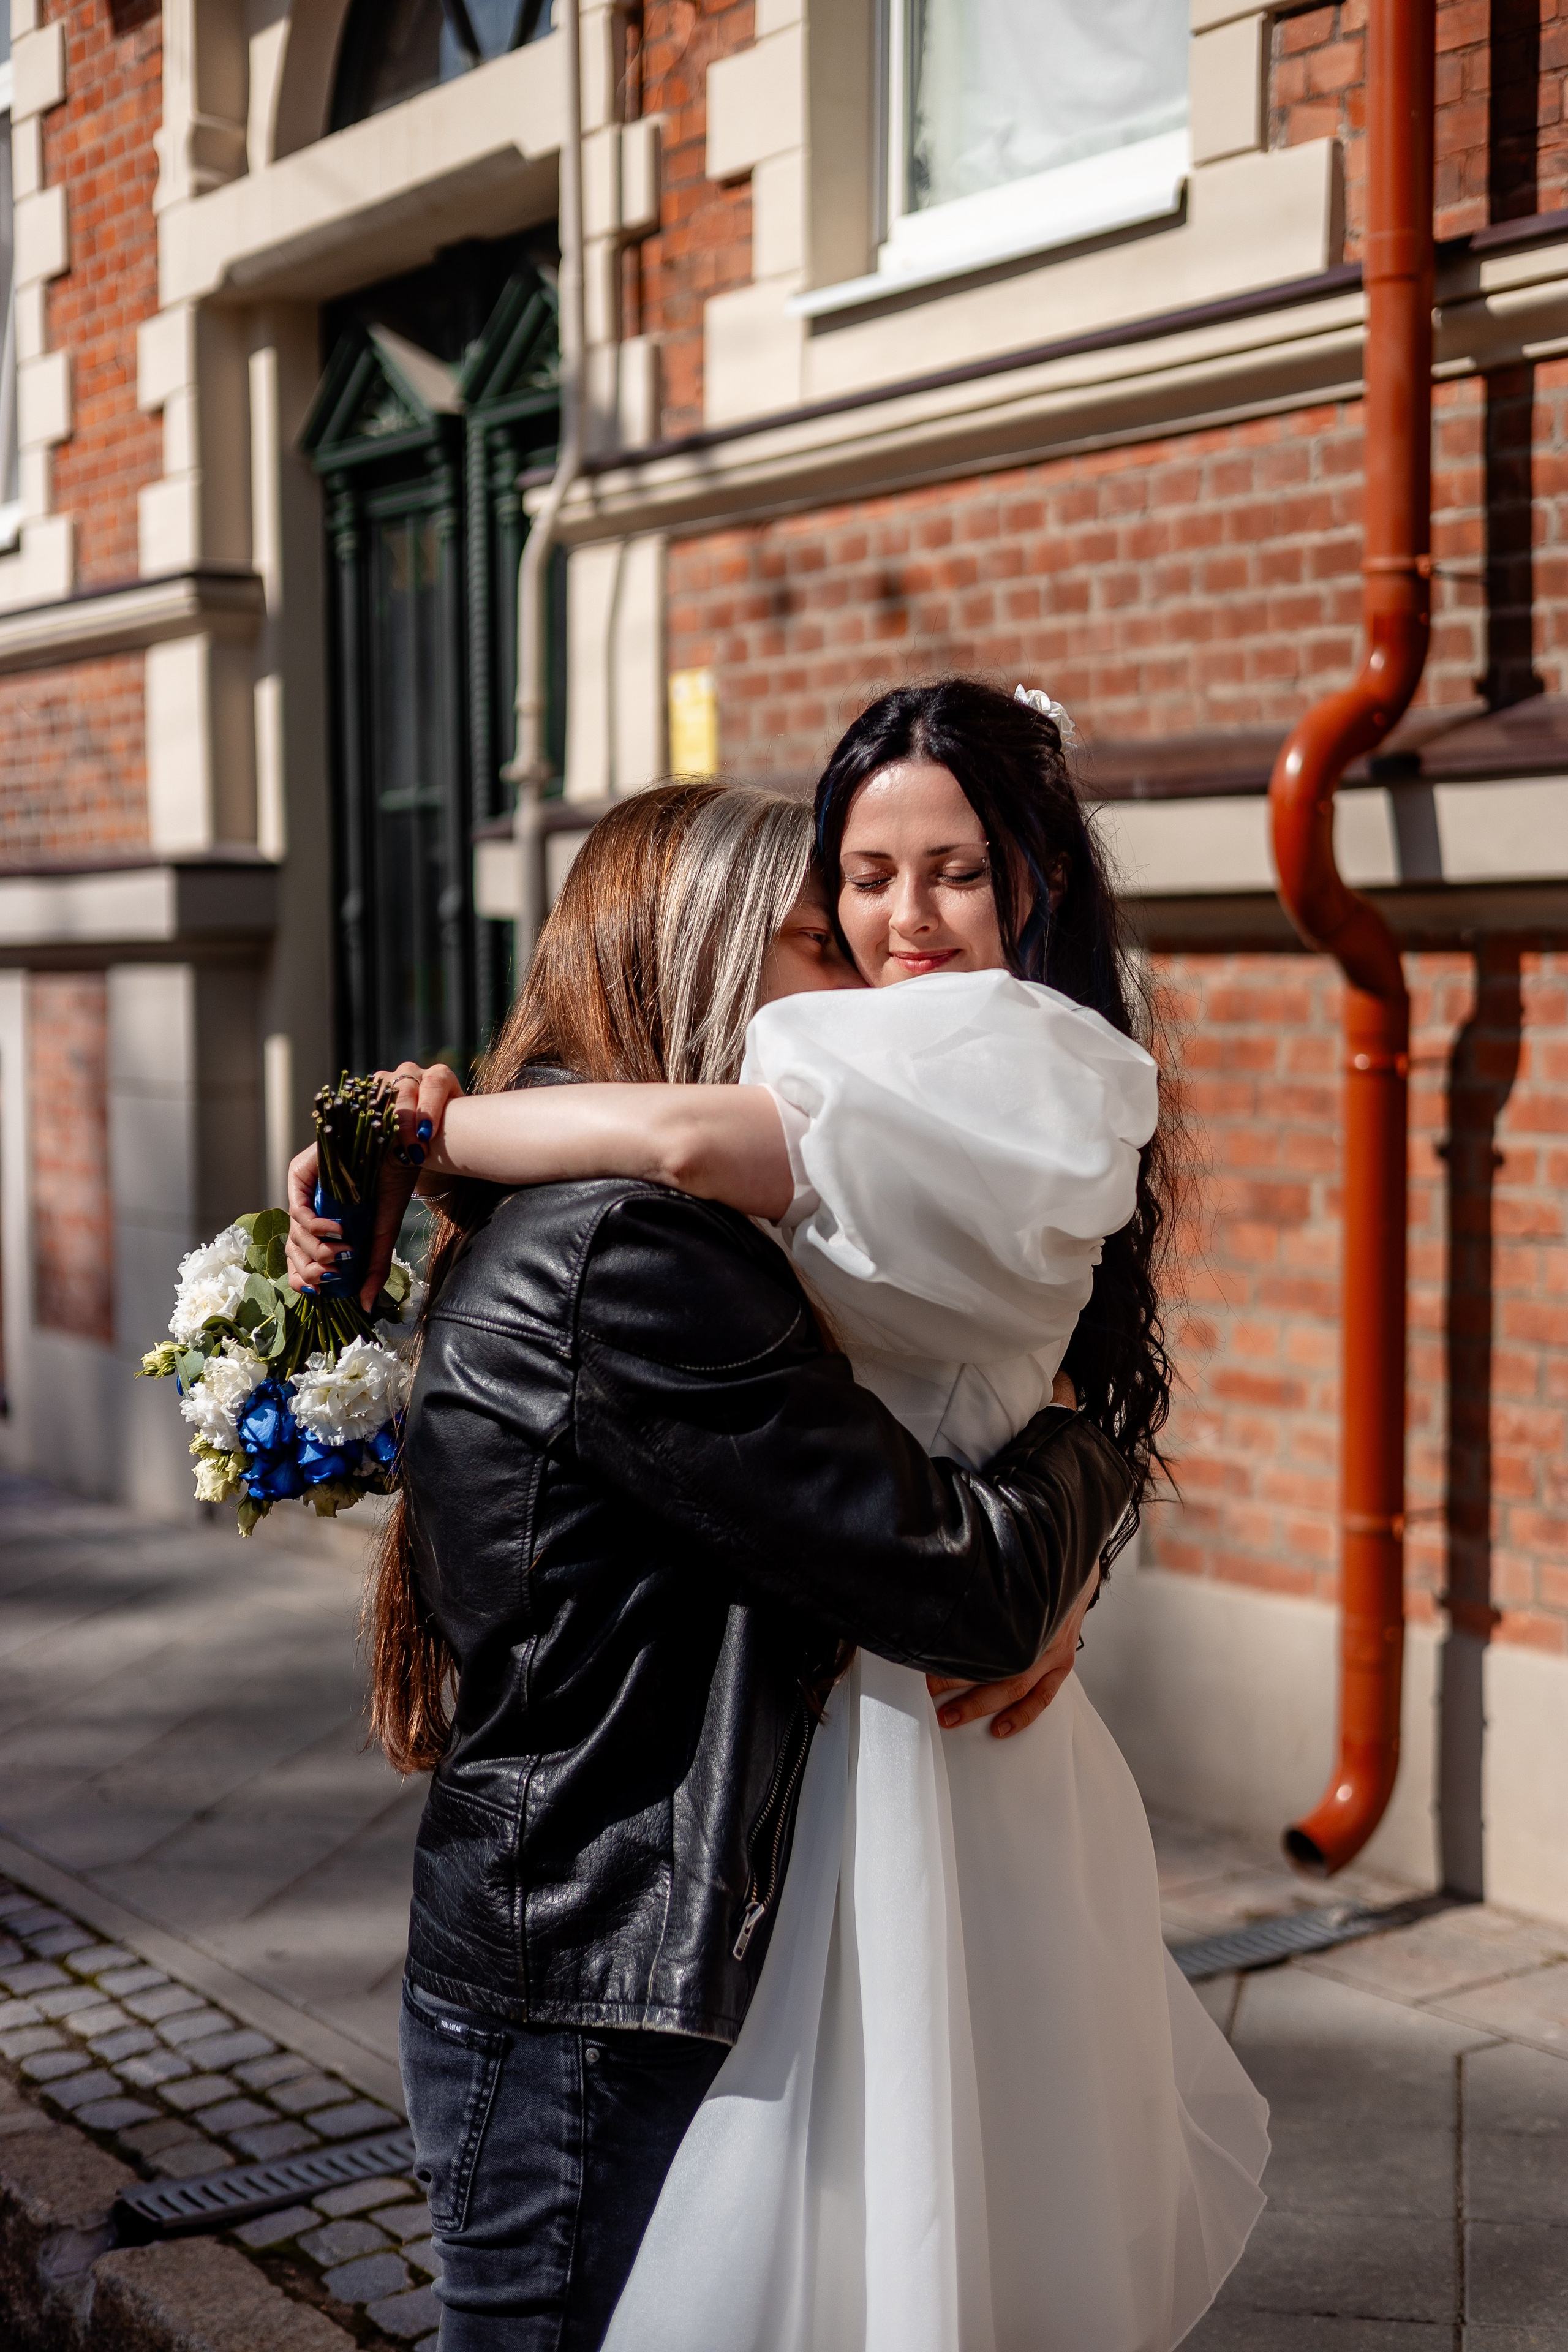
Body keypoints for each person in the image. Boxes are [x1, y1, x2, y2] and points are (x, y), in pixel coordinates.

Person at [293, 685, 1269, 2349]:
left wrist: (405, 1152)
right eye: (828, 929)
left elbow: (883, 1488)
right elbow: (950, 1575)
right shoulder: (636, 1248)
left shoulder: (671, 1216)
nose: (876, 970)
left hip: (617, 1922)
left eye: (947, 878)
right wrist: (1064, 1476)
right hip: (601, 1965)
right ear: (707, 967)